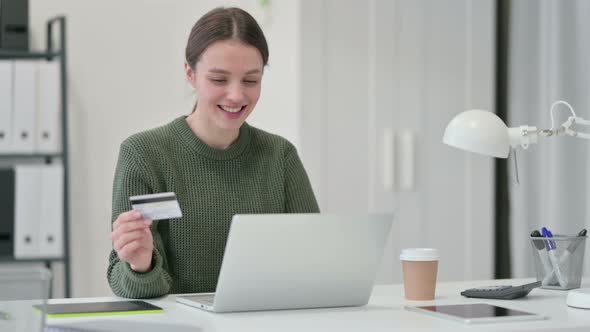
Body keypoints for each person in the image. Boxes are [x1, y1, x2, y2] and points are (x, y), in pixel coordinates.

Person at [107, 7, 319, 299]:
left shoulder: (280, 156)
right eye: (219, 80)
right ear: (190, 74)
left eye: (250, 80)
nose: (236, 95)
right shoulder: (144, 155)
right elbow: (126, 284)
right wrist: (141, 265)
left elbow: (316, 265)